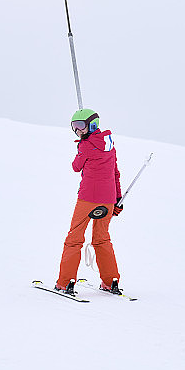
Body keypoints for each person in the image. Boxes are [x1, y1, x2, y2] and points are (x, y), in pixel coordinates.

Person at [55, 109, 124, 296]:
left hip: (88, 199)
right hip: (108, 199)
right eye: (74, 126)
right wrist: (117, 199)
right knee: (102, 239)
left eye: (80, 126)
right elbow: (115, 173)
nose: (77, 130)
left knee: (74, 239)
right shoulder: (110, 145)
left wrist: (80, 148)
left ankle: (65, 282)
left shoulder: (85, 145)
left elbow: (76, 167)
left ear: (92, 125)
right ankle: (111, 281)